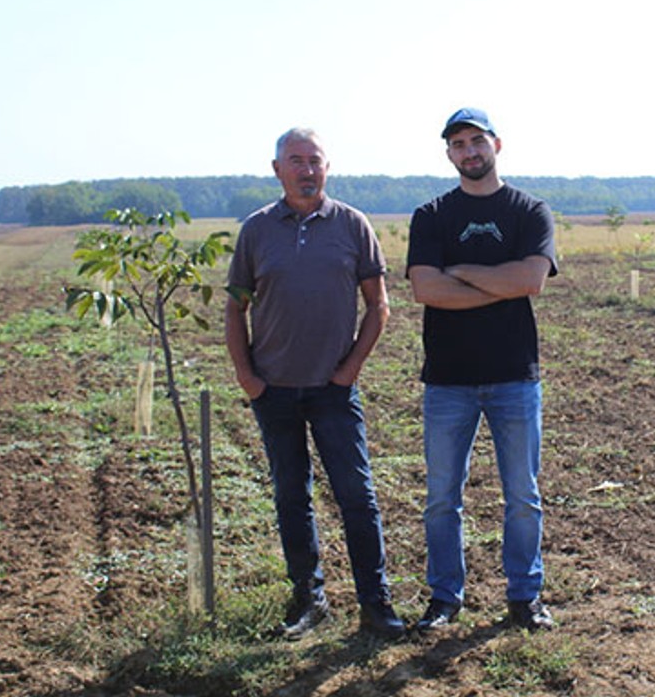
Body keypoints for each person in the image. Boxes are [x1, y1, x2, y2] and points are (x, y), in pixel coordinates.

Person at [224, 127, 405, 640]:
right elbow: (235, 307)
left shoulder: (352, 225)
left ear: (327, 168)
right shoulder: (256, 231)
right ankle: (309, 598)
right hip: (274, 391)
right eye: (295, 160)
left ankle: (375, 602)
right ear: (277, 168)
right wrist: (247, 376)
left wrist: (349, 370)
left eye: (315, 161)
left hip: (333, 390)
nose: (306, 169)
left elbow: (378, 306)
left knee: (357, 495)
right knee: (290, 495)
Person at [406, 107, 558, 632]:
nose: (469, 151)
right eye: (458, 144)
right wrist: (500, 281)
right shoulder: (431, 216)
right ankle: (445, 597)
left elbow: (532, 280)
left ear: (497, 144)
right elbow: (426, 289)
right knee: (442, 498)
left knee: (522, 496)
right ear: (448, 154)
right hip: (448, 379)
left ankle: (525, 598)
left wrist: (465, 274)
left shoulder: (529, 211)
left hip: (515, 375)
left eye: (477, 141)